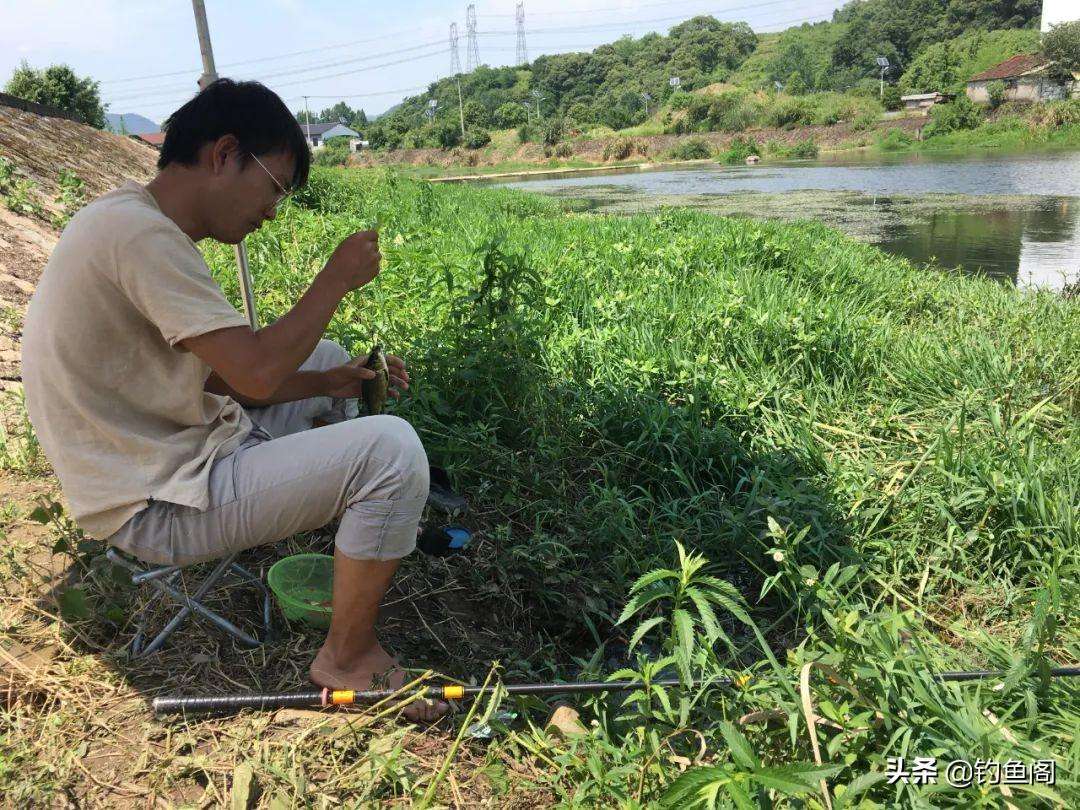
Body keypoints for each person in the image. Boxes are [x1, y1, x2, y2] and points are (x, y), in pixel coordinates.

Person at [20, 79, 448, 721]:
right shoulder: (143, 238)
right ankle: (348, 659)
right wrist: (334, 278)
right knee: (391, 453)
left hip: (165, 451)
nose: (272, 212)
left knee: (329, 359)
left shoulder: (129, 219)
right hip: (151, 501)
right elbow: (251, 375)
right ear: (224, 154)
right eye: (274, 188)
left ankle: (354, 529)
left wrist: (325, 383)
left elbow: (216, 374)